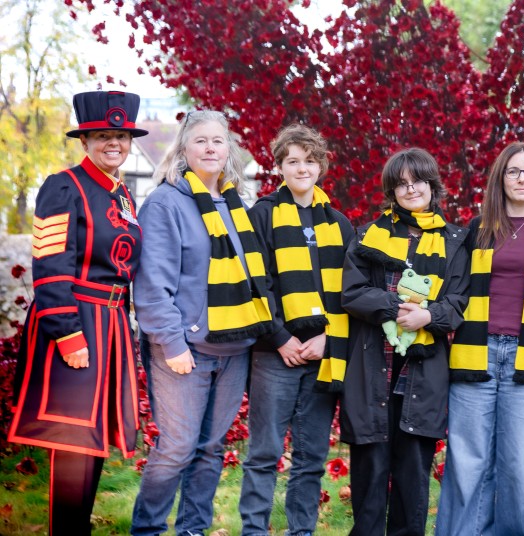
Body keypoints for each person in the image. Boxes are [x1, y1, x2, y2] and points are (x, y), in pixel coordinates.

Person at [8, 91, 147, 535]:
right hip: (75, 322)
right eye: (102, 135)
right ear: (84, 140)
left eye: (121, 136)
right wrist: (68, 335)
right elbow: (50, 266)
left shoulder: (122, 194)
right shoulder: (63, 186)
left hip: (112, 326)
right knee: (72, 440)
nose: (114, 143)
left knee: (94, 439)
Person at [131, 110, 273, 536]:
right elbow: (152, 284)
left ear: (228, 149)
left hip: (234, 348)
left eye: (218, 140)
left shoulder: (237, 205)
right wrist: (172, 343)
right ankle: (147, 530)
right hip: (184, 350)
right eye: (200, 141)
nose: (210, 148)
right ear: (184, 149)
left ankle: (193, 528)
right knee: (176, 449)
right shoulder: (166, 203)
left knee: (210, 450)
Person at [339, 148, 470, 535]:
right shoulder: (368, 235)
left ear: (433, 185)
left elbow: (458, 301)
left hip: (423, 373)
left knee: (412, 482)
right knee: (369, 480)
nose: (411, 190)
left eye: (419, 182)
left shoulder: (455, 241)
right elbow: (352, 292)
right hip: (372, 371)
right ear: (392, 192)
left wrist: (427, 316)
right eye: (402, 184)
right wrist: (396, 307)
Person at [436, 142, 524, 535]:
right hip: (476, 352)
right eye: (513, 171)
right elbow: (454, 290)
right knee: (467, 463)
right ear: (500, 179)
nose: (522, 179)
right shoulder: (478, 229)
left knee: (522, 466)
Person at [239, 124, 355, 536]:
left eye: (309, 160)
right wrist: (279, 337)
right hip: (276, 354)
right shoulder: (262, 215)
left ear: (321, 165)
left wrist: (328, 338)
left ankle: (301, 531)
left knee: (310, 458)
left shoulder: (339, 224)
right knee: (264, 453)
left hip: (323, 354)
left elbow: (349, 292)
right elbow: (255, 282)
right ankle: (254, 530)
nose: (301, 168)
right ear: (280, 166)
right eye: (292, 161)